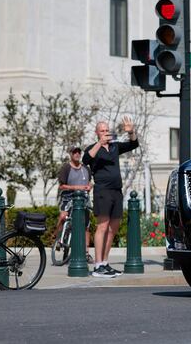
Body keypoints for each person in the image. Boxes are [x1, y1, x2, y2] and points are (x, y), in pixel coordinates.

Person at [82, 116, 138, 277]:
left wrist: (131, 131)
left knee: (113, 228)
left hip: (116, 191)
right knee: (103, 226)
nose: (106, 133)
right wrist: (100, 143)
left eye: (107, 130)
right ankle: (97, 265)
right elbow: (86, 160)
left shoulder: (114, 147)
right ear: (97, 133)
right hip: (102, 191)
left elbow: (134, 144)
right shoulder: (93, 148)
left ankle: (105, 263)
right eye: (103, 131)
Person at [55, 147, 93, 262]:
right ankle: (58, 238)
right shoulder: (66, 168)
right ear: (70, 154)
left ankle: (86, 253)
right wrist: (77, 188)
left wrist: (90, 186)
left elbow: (90, 182)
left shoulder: (86, 168)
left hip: (83, 199)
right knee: (63, 217)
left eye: (78, 152)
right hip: (68, 197)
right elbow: (61, 186)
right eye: (74, 152)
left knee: (86, 225)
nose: (77, 154)